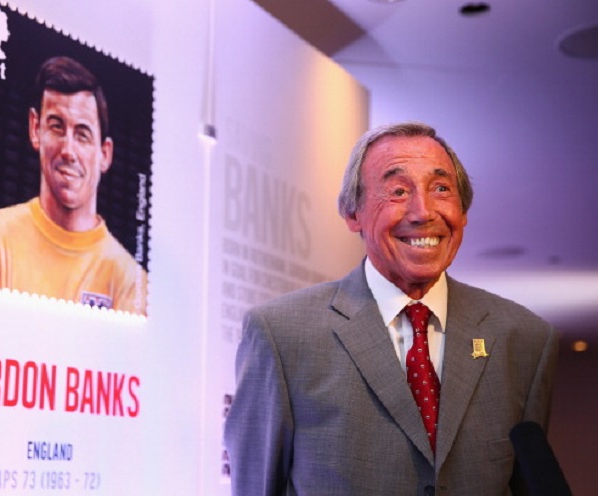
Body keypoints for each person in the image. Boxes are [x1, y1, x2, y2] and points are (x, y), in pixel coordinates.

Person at [224, 121, 559, 495]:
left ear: (463, 213)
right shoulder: (281, 335)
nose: (423, 211)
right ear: (354, 215)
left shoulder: (524, 339)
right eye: (398, 191)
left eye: (441, 189)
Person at [0, 56, 147, 315]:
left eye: (82, 135)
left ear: (105, 154)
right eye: (57, 127)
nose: (68, 151)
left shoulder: (131, 284)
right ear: (35, 129)